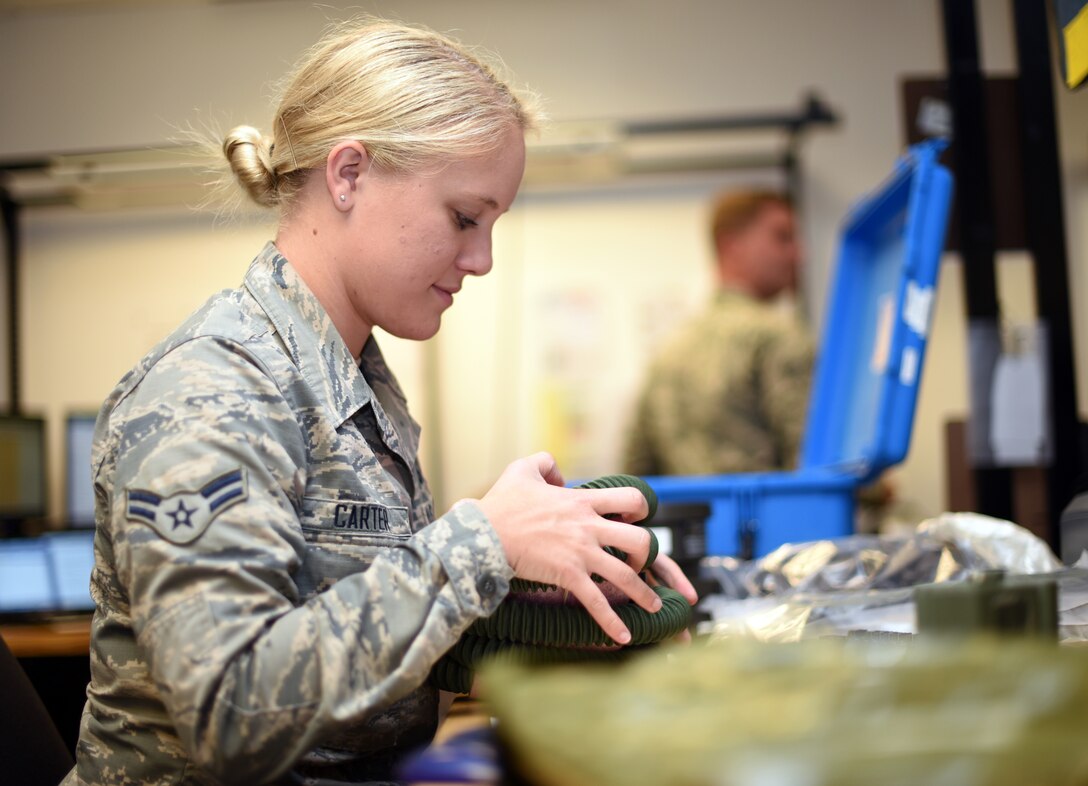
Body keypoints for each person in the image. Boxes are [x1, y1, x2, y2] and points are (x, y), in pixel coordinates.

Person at [62, 18, 696, 786]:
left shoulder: (356, 383)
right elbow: (231, 709)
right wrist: (482, 545)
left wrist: (535, 587)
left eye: (492, 225)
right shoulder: (214, 391)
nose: (482, 259)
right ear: (350, 174)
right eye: (464, 218)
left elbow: (343, 619)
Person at [623, 189, 813, 476]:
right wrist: (872, 490)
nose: (798, 254)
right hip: (774, 521)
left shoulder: (668, 352)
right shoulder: (777, 337)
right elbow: (814, 463)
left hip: (691, 522)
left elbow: (635, 473)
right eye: (782, 237)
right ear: (730, 245)